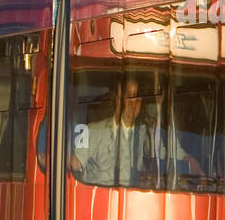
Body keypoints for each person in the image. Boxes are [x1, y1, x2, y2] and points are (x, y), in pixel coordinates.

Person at [70, 77, 200, 187]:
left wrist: (193, 164)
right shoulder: (92, 130)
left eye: (137, 98)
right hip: (100, 202)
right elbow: (74, 163)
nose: (134, 103)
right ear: (118, 100)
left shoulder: (147, 135)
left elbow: (173, 154)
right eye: (129, 96)